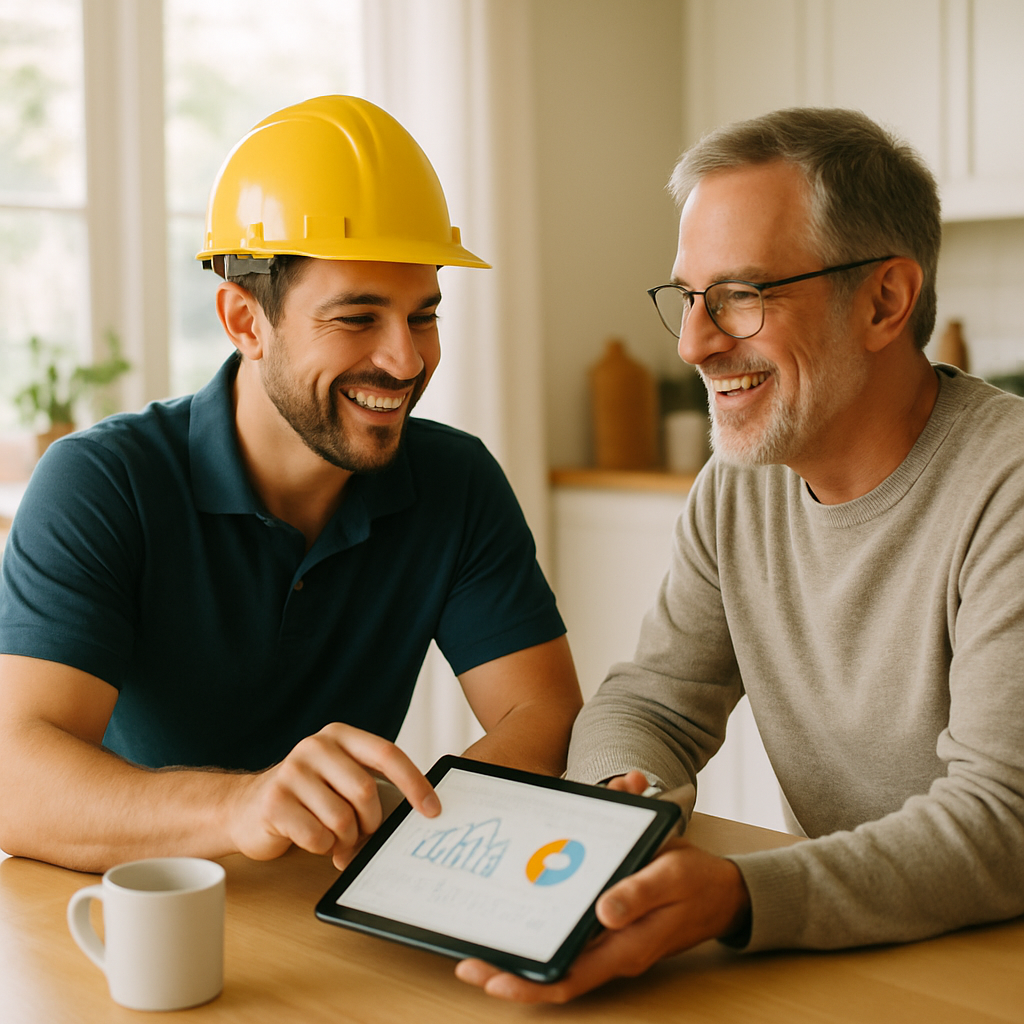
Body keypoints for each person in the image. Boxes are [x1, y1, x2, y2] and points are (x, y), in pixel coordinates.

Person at [456, 107, 1024, 1003]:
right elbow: (651, 700)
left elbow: (1003, 826)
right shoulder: (740, 483)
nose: (693, 343)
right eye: (689, 297)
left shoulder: (1009, 487)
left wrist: (737, 895)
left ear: (884, 301)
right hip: (863, 955)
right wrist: (624, 800)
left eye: (742, 295)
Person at [0, 96, 582, 873]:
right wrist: (246, 805)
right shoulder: (103, 481)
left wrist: (412, 832)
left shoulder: (456, 479)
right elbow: (15, 779)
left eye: (423, 316)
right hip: (139, 916)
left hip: (339, 906)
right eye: (357, 319)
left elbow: (539, 710)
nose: (405, 361)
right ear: (245, 322)